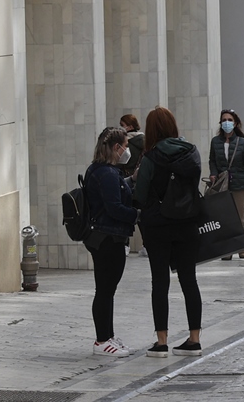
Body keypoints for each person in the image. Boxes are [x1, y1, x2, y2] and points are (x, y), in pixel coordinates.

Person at [133, 106, 203, 357]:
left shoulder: (150, 158)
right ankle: (194, 339)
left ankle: (161, 342)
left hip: (158, 225)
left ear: (151, 130)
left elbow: (140, 195)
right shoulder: (192, 152)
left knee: (160, 282)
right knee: (189, 280)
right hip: (188, 223)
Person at [83, 127, 138, 357]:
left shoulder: (101, 170)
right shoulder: (105, 172)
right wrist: (137, 215)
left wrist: (130, 180)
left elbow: (113, 192)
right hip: (108, 237)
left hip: (106, 236)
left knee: (108, 289)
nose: (127, 151)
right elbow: (114, 207)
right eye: (125, 146)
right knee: (105, 289)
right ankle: (101, 340)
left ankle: (108, 336)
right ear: (116, 148)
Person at [209, 109, 244, 260]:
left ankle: (241, 247)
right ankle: (227, 250)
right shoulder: (215, 142)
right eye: (224, 120)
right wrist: (213, 173)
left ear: (235, 123)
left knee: (240, 218)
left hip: (240, 185)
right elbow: (212, 160)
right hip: (222, 185)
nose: (226, 122)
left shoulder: (242, 143)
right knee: (225, 218)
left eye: (229, 120)